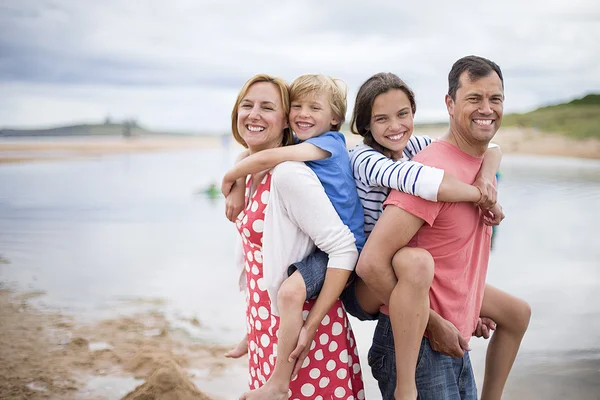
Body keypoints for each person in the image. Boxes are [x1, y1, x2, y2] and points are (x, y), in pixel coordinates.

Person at [357, 57, 531, 399]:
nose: (487, 108)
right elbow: (371, 263)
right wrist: (434, 324)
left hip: (454, 335)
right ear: (450, 104)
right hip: (417, 342)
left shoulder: (481, 164)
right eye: (474, 98)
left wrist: (467, 309)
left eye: (495, 99)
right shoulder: (429, 175)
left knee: (518, 313)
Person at [228, 74, 364, 400]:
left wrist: (312, 323)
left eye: (267, 107)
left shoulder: (289, 172)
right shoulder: (253, 171)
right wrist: (254, 327)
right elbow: (260, 256)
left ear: (282, 118)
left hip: (302, 338)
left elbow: (343, 247)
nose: (254, 114)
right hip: (266, 327)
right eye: (247, 105)